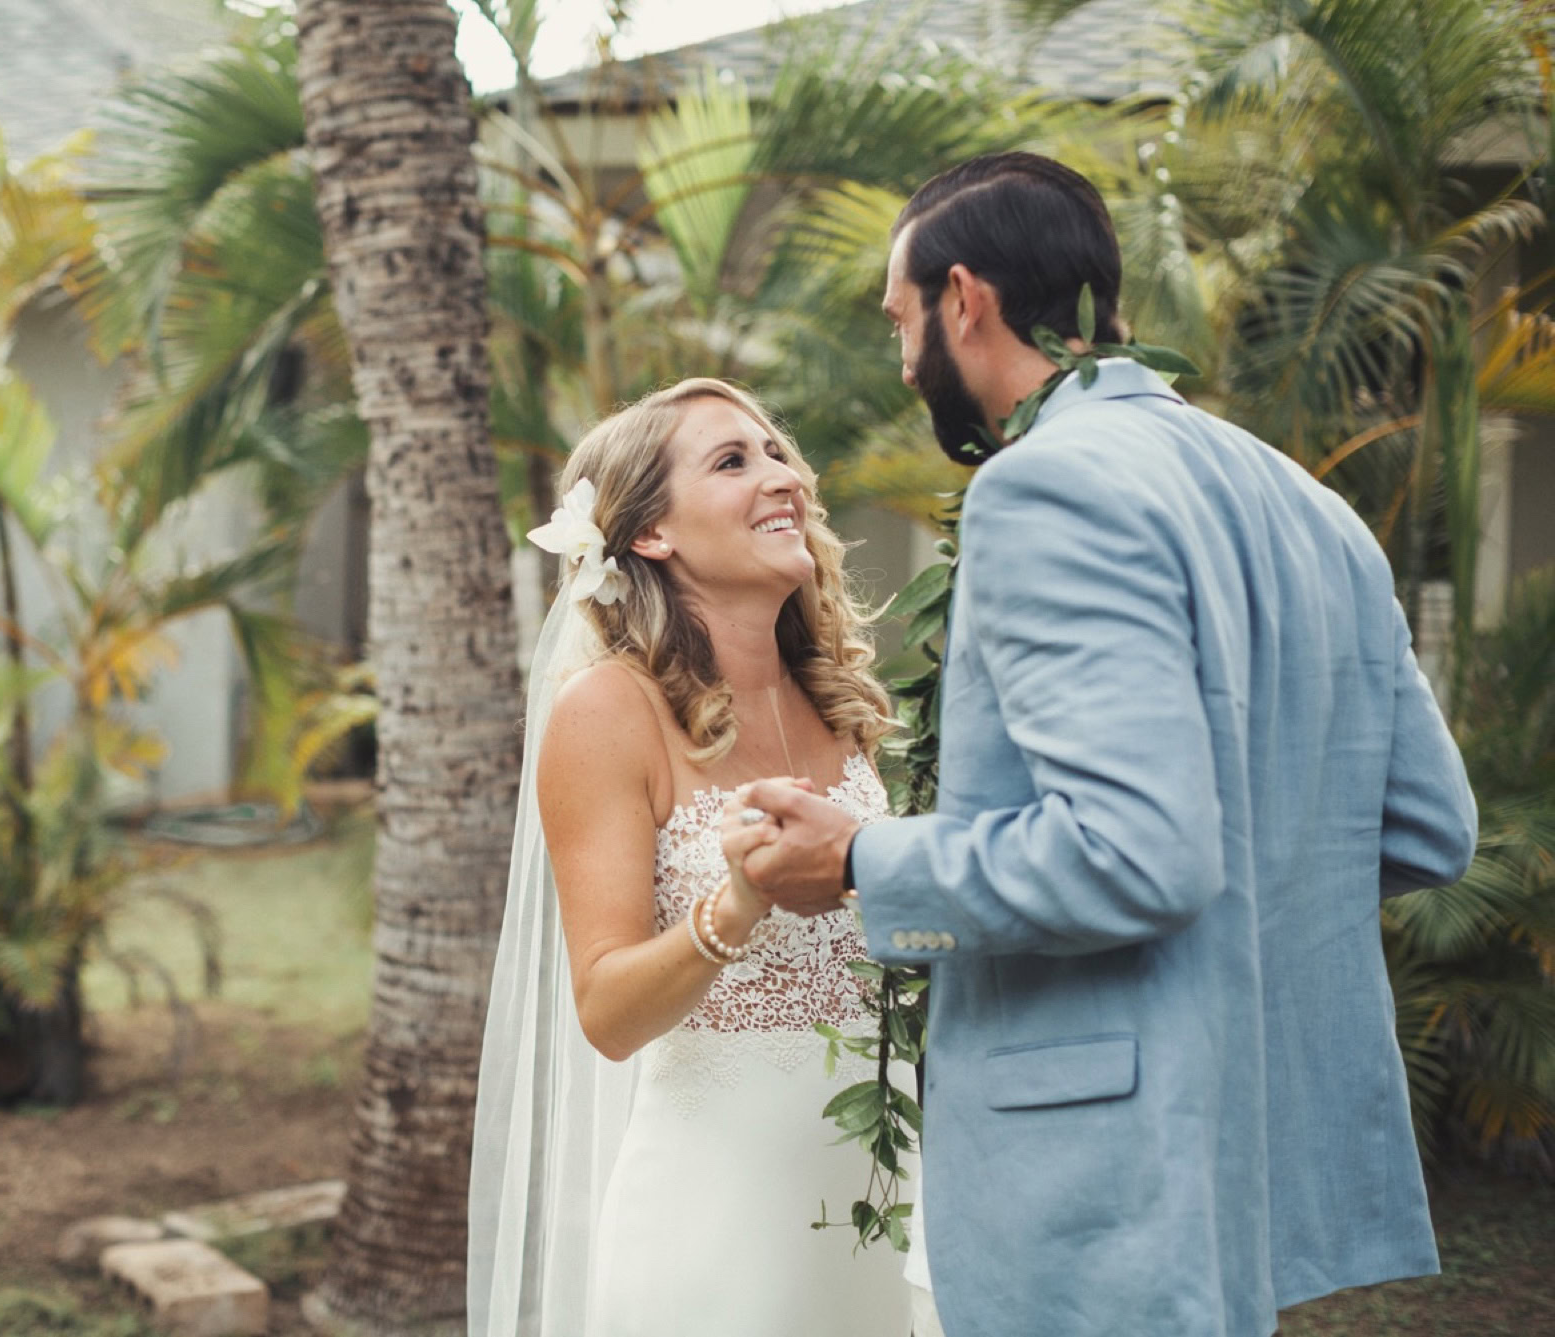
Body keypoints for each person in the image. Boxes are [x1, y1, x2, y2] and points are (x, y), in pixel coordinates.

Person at [734, 152, 1479, 1337]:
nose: (899, 353)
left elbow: (1140, 853)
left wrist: (865, 860)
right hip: (1245, 1137)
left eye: (897, 320)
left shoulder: (1045, 489)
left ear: (962, 299)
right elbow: (1428, 827)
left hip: (1101, 1168)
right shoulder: (1306, 504)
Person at [467, 377, 928, 1335]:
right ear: (649, 535)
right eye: (732, 461)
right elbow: (606, 1009)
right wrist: (736, 904)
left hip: (884, 1192)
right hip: (722, 1220)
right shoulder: (608, 710)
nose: (781, 477)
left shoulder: (845, 706)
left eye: (775, 453)